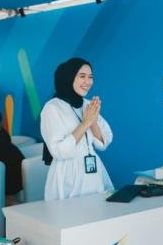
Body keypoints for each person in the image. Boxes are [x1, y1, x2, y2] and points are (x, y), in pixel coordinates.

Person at [40, 57, 114, 201]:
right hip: (68, 175)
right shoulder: (52, 108)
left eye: (90, 77)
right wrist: (85, 123)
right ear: (69, 77)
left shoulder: (88, 105)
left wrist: (93, 122)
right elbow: (59, 151)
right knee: (70, 213)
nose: (88, 82)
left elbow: (103, 143)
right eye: (82, 76)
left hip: (93, 172)